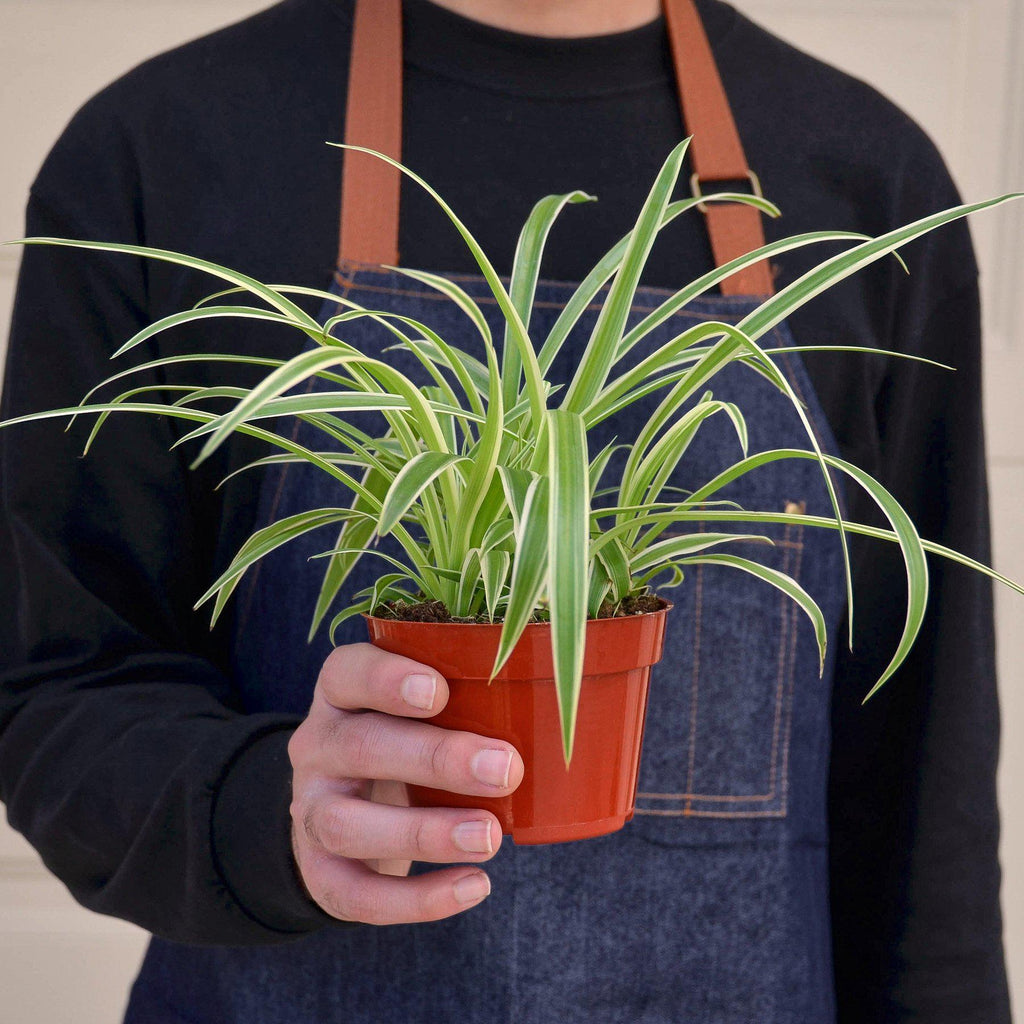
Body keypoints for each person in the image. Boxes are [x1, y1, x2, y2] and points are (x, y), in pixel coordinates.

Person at [0, 0, 1009, 1020]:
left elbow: (927, 795)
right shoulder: (160, 147)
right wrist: (272, 813)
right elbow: (58, 691)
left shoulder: (869, 184)